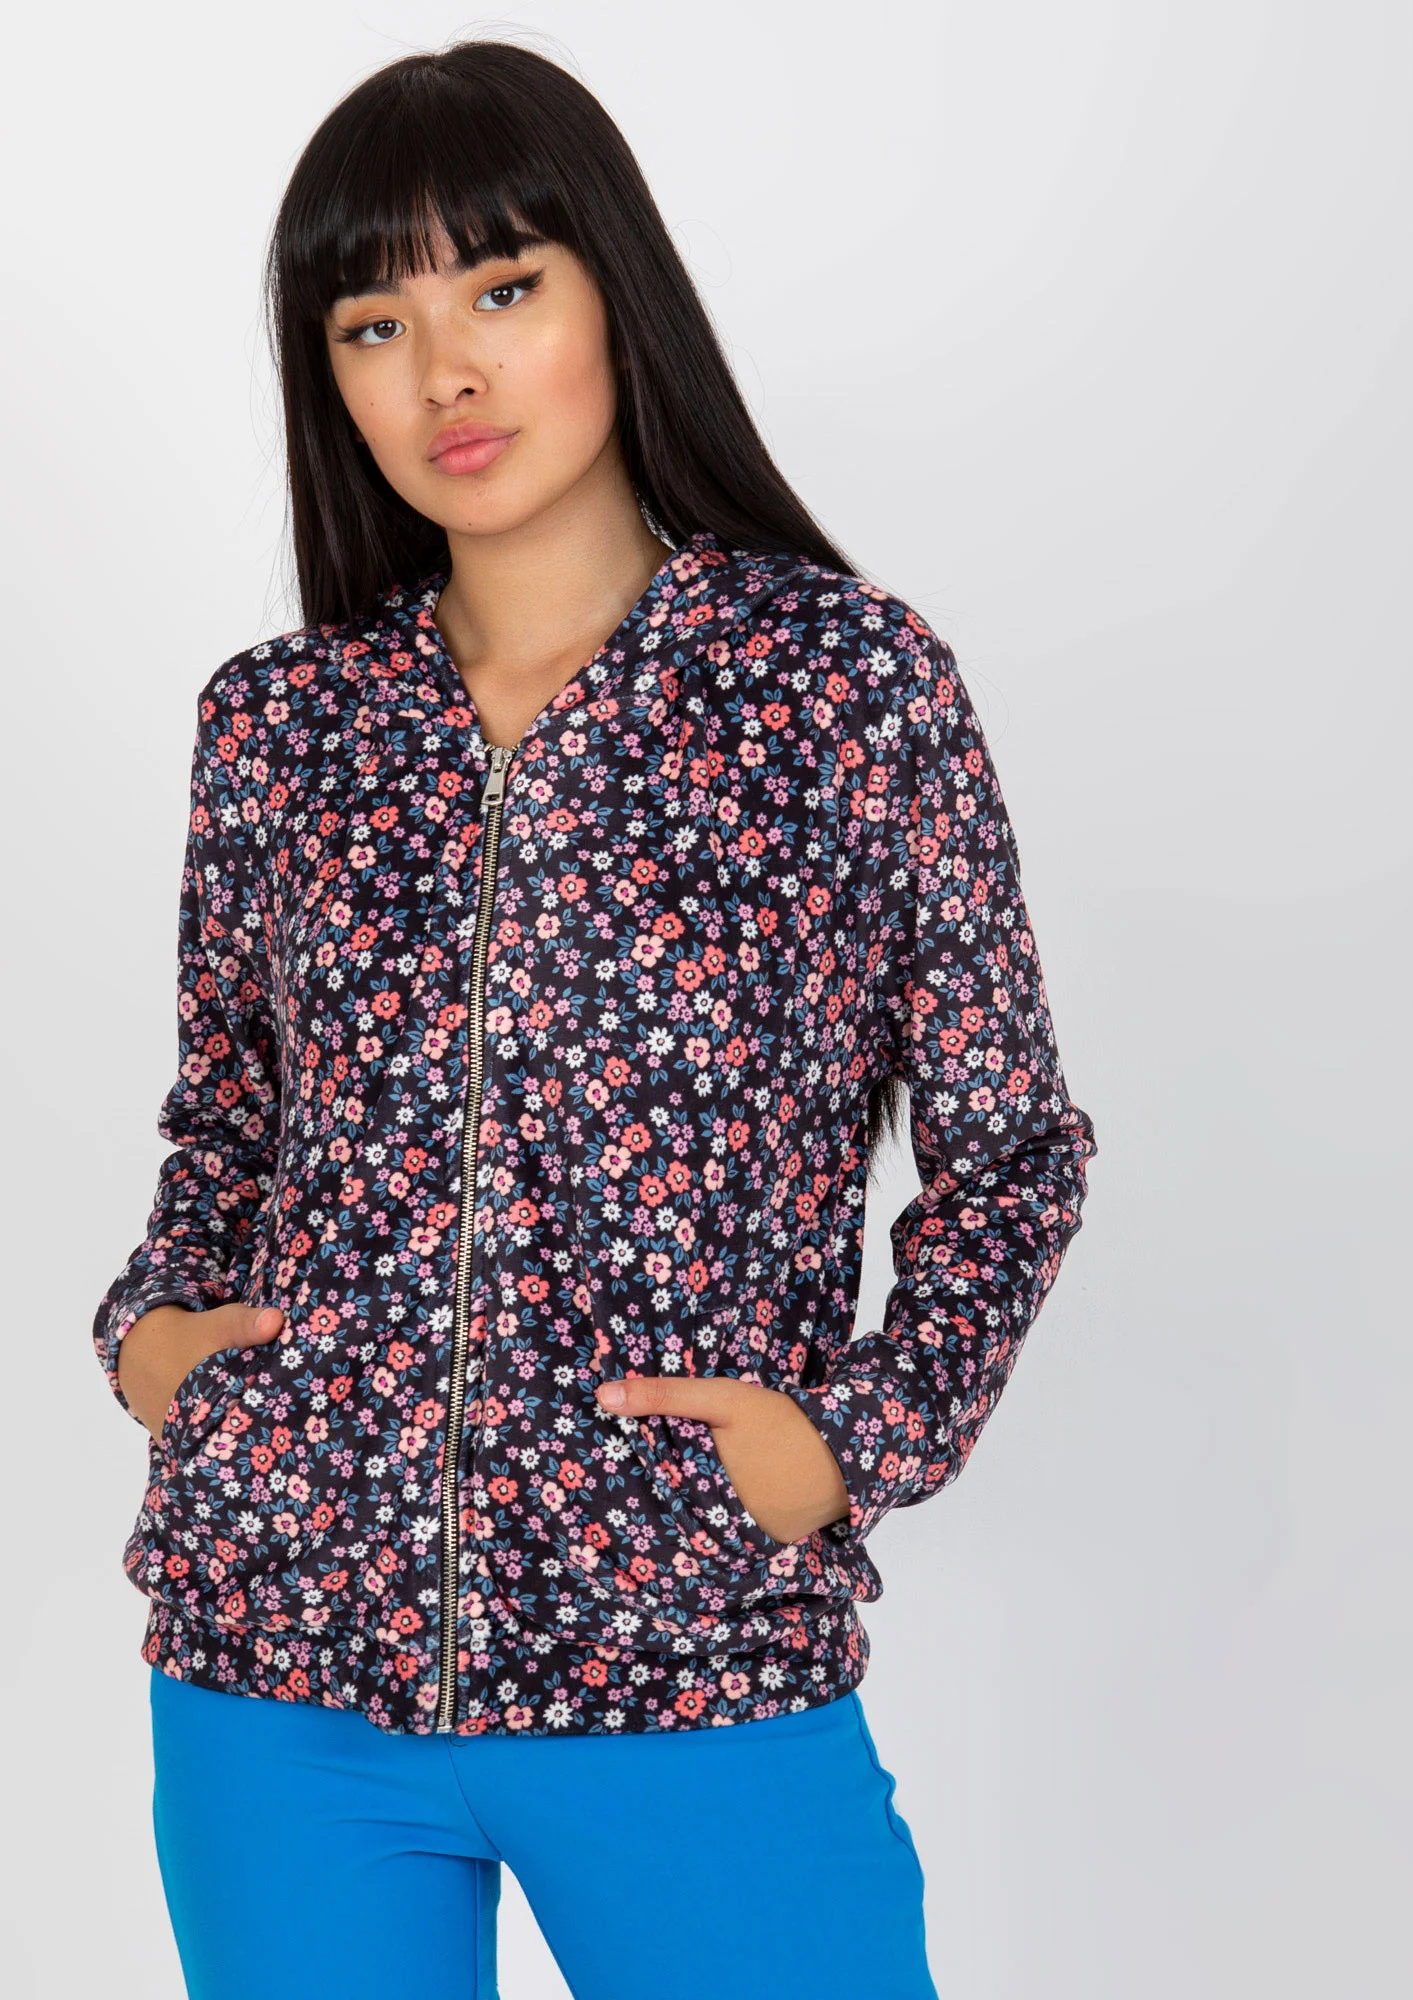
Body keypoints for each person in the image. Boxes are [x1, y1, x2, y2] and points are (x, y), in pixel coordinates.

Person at [94, 38, 1098, 2000]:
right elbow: (227, 1119)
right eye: (373, 324)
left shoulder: (841, 687)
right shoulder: (282, 724)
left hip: (689, 1657)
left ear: (615, 292)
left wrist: (857, 1441)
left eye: (502, 288)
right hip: (275, 1677)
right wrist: (156, 1337)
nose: (443, 375)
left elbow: (1010, 1147)